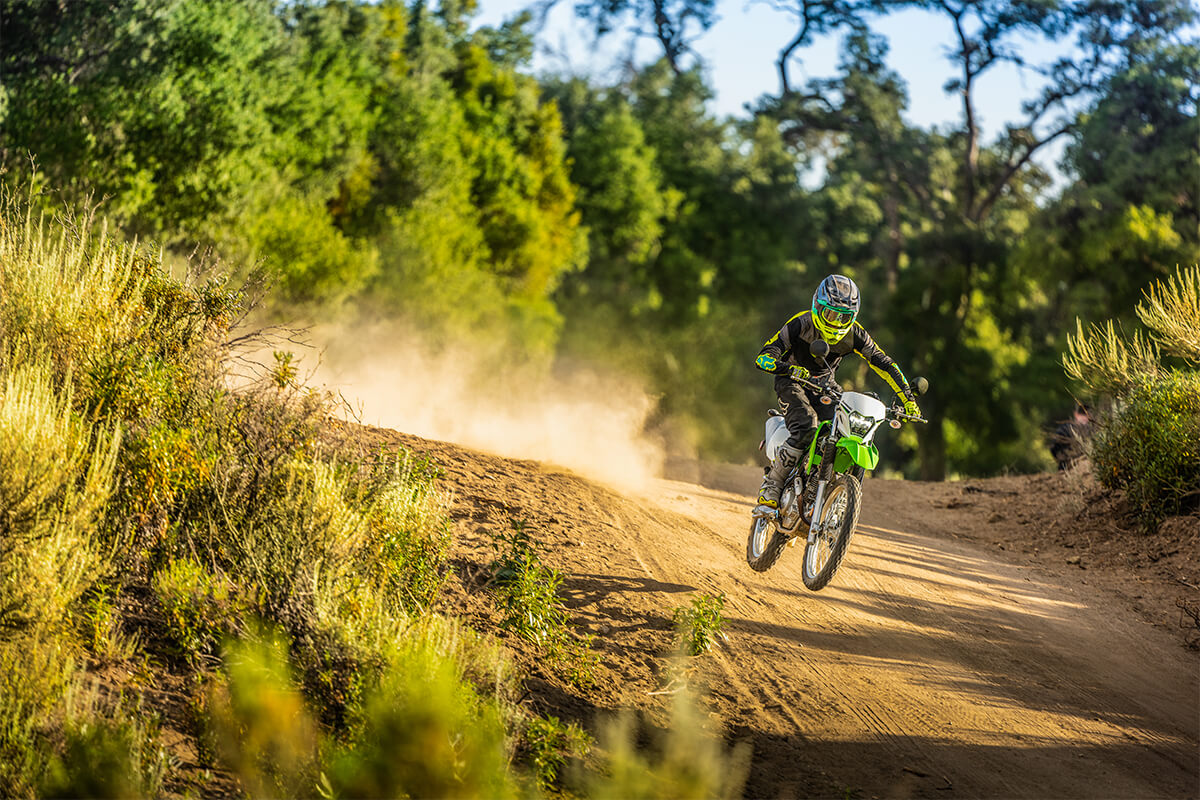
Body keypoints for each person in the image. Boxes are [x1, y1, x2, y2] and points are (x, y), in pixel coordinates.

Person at [754, 274, 920, 509]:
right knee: (807, 425)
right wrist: (789, 369)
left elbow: (883, 363)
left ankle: (828, 492)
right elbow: (764, 356)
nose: (837, 322)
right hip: (792, 381)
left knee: (849, 426)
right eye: (831, 314)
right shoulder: (801, 323)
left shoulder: (856, 334)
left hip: (826, 385)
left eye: (845, 317)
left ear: (854, 316)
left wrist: (908, 399)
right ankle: (773, 484)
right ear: (817, 306)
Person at [1050, 404, 1092, 470]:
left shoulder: (1093, 431)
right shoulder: (1065, 429)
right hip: (1066, 468)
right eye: (1082, 413)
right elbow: (1054, 447)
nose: (1084, 417)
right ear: (1075, 414)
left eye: (1086, 414)